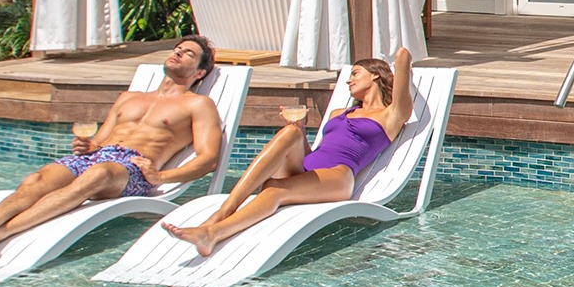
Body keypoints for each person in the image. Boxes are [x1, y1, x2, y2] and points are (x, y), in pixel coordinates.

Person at [0, 35, 229, 253]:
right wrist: (88, 146)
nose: (178, 52)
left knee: (99, 173)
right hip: (98, 158)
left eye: (188, 53)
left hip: (132, 168)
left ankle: (1, 232)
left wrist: (161, 176)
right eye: (177, 48)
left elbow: (209, 158)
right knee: (37, 179)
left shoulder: (198, 104)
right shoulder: (129, 97)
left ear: (199, 73)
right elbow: (100, 141)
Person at [173, 50, 416, 258]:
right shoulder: (338, 113)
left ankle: (214, 232)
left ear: (375, 74)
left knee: (274, 189)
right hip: (307, 167)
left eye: (355, 73)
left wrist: (397, 53)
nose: (348, 81)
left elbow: (403, 57)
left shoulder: (391, 115)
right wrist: (299, 128)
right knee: (290, 132)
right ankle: (226, 208)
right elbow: (317, 152)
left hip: (338, 176)